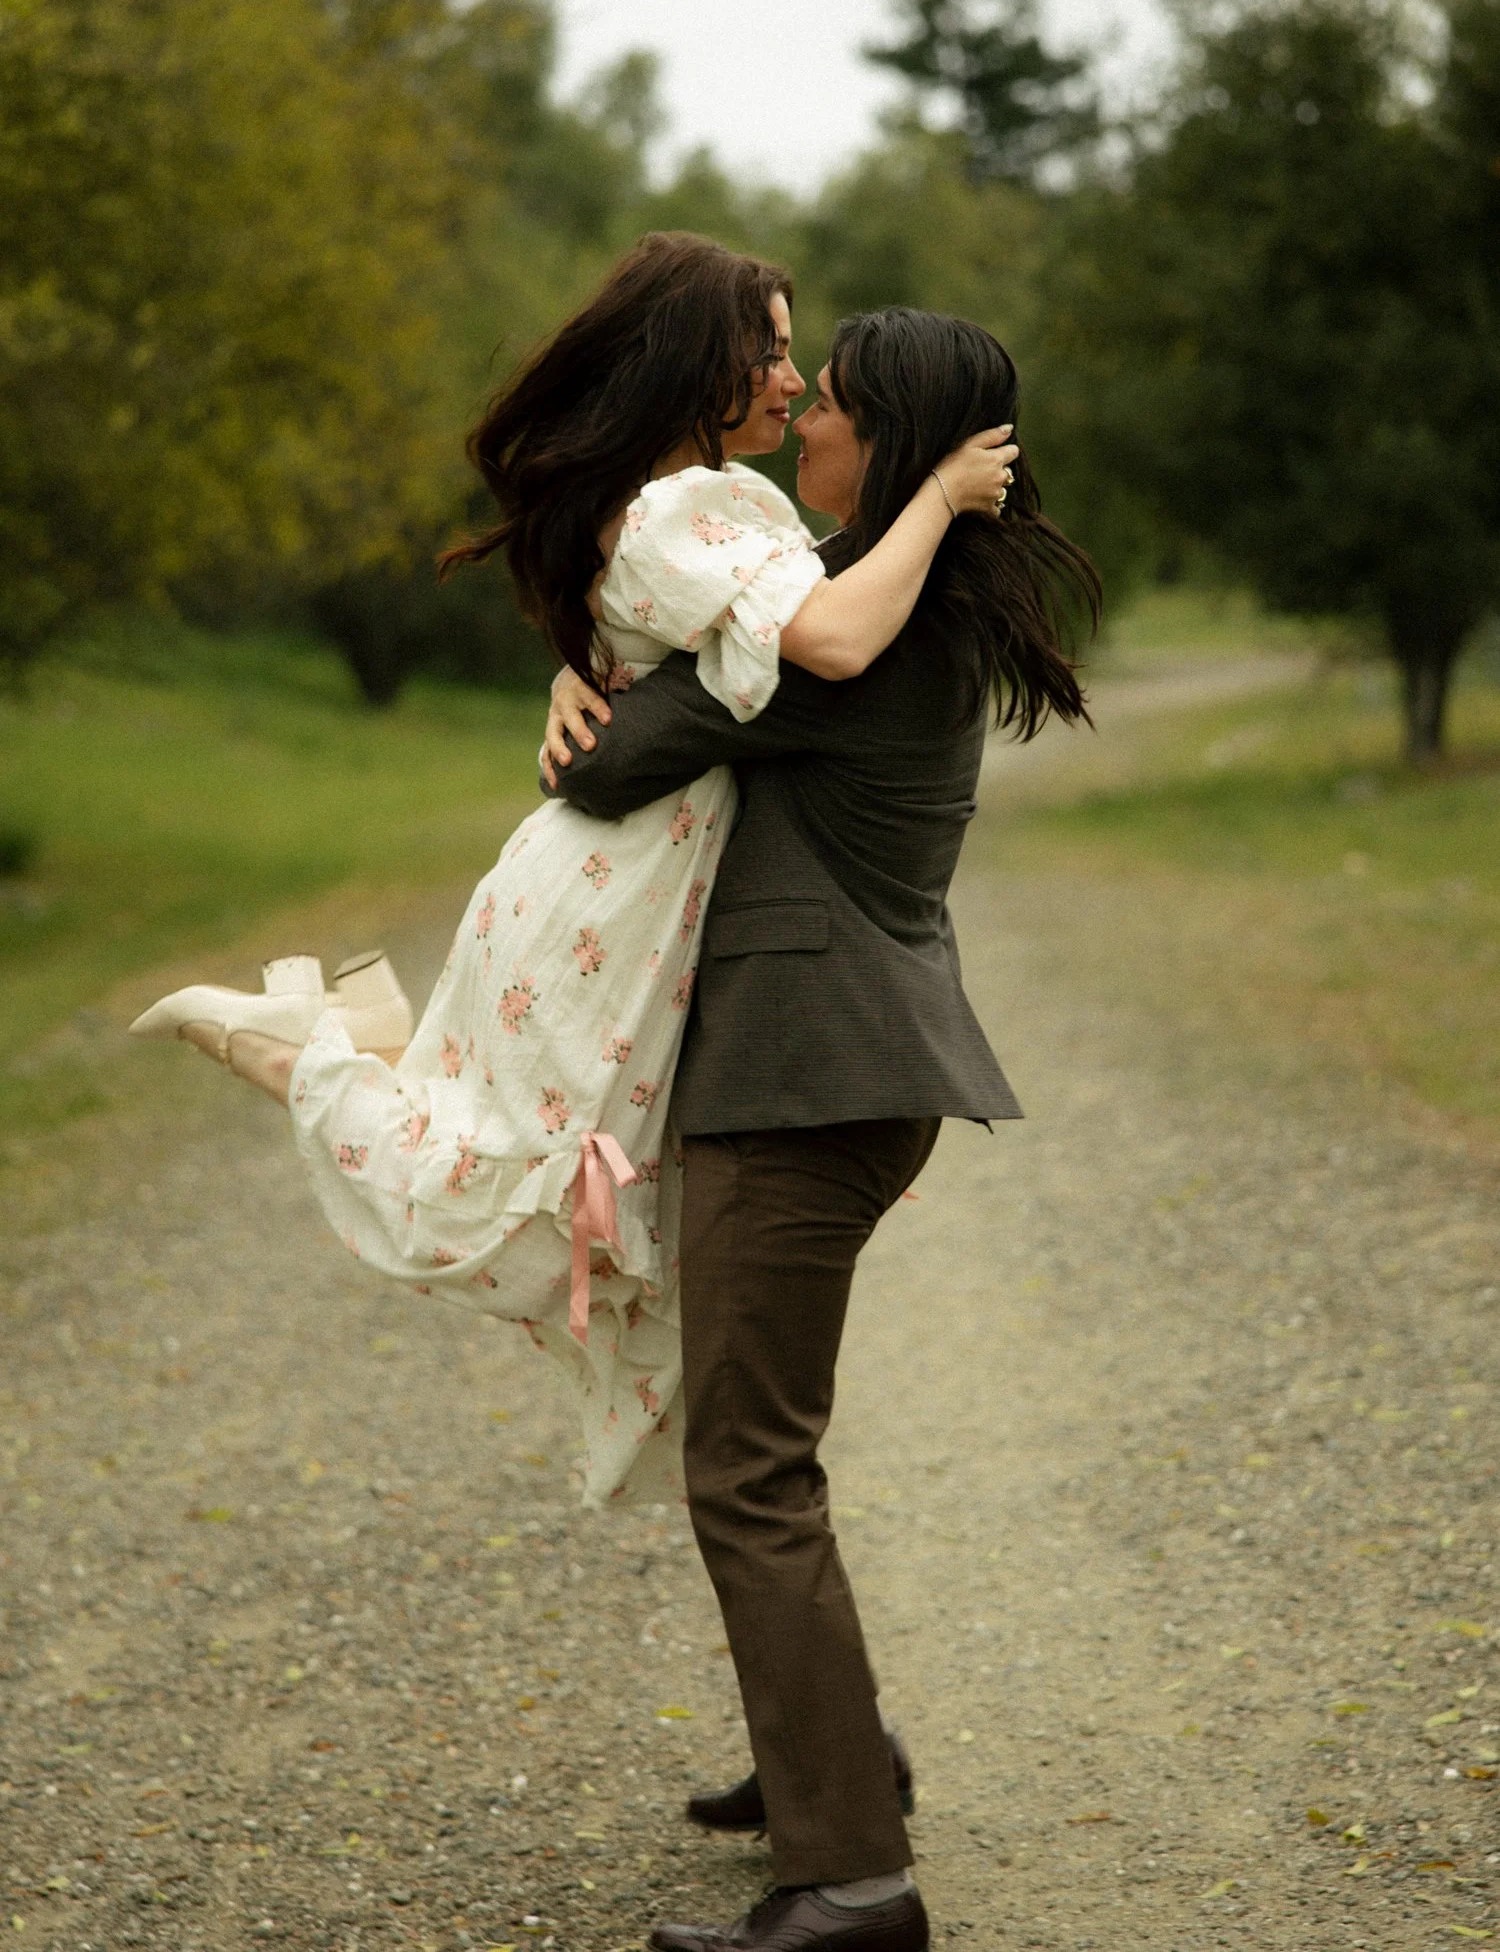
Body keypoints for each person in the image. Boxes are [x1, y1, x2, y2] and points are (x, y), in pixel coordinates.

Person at [128, 235, 1015, 1507]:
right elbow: (815, 635)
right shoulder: (690, 508)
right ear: (694, 367)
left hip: (631, 889)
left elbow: (726, 647)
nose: (788, 377)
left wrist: (592, 673)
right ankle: (299, 1051)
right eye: (767, 352)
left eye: (796, 361)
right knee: (504, 1208)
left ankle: (353, 1042)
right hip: (615, 890)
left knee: (550, 1187)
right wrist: (936, 494)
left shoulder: (709, 514)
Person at [540, 306, 1102, 1952]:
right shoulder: (874, 601)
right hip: (839, 1076)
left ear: (896, 446)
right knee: (757, 1456)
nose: (802, 433)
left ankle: (849, 1874)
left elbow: (615, 767)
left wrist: (573, 700)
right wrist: (577, 682)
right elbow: (654, 709)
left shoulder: (847, 627)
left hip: (808, 1083)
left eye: (834, 412)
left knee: (749, 1472)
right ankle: (830, 1757)